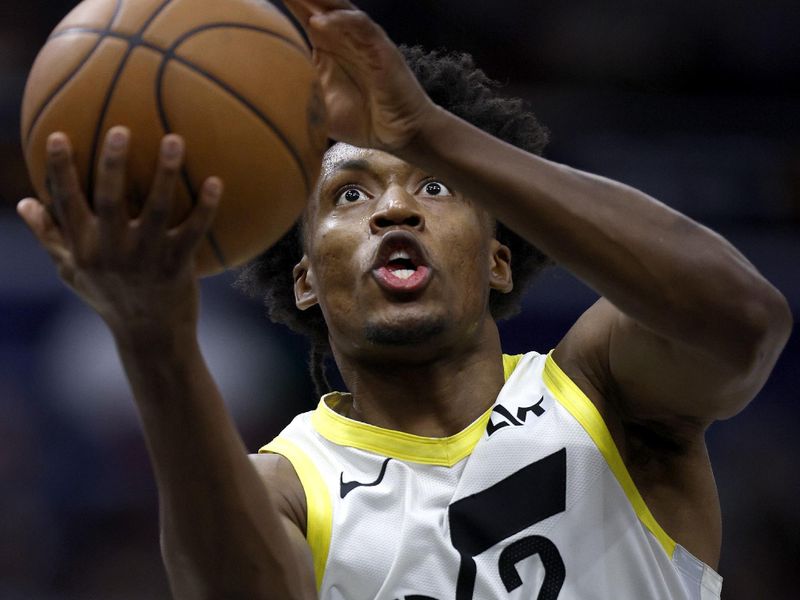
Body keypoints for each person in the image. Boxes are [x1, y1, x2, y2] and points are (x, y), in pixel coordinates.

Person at [17, 0, 792, 598]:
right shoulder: (286, 487)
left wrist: (430, 130)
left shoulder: (605, 396)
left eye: (432, 188)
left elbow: (745, 321)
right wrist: (154, 339)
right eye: (350, 194)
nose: (394, 210)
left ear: (496, 258)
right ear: (306, 279)